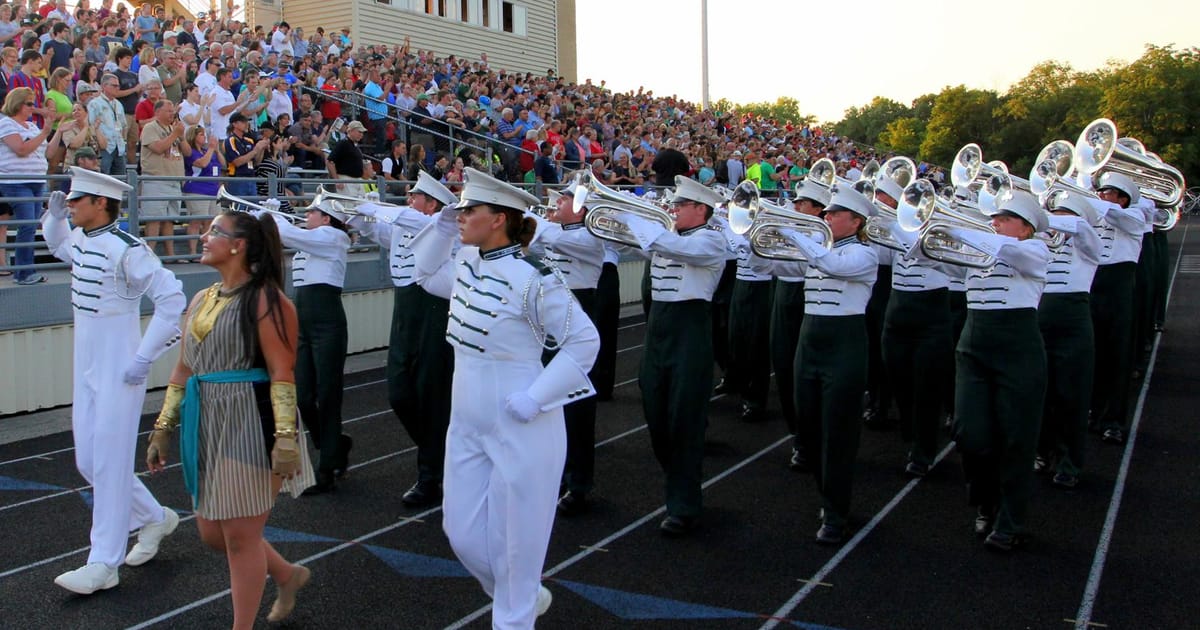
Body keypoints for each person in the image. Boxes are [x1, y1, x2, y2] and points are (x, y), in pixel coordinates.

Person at [410, 167, 599, 627]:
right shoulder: (466, 264)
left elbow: (584, 341)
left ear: (498, 219)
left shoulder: (534, 277)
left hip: (522, 421)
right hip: (467, 420)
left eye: (468, 210)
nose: (460, 216)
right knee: (462, 534)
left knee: (516, 548)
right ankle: (521, 597)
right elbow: (422, 274)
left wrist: (537, 397)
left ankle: (516, 609)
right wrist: (439, 226)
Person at [144, 203, 315, 628]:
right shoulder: (202, 297)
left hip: (249, 419)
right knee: (212, 532)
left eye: (214, 231)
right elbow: (184, 367)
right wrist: (163, 428)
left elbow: (281, 371)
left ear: (238, 247)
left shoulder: (267, 300)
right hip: (208, 418)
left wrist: (286, 437)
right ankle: (286, 573)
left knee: (240, 537)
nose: (204, 236)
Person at [41, 167, 186, 593]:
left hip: (119, 365)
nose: (70, 206)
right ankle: (156, 518)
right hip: (85, 359)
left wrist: (143, 358)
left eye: (75, 201)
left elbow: (171, 298)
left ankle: (103, 562)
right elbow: (59, 244)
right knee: (89, 461)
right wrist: (54, 219)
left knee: (107, 462)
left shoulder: (129, 249)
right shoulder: (85, 238)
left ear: (100, 203)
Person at [750, 186, 878, 545]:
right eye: (828, 213)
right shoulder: (817, 249)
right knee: (810, 424)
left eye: (834, 214)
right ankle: (829, 497)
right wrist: (756, 234)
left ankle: (836, 512)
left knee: (838, 430)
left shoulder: (865, 254)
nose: (827, 217)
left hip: (844, 341)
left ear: (855, 221)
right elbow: (765, 264)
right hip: (810, 340)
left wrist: (794, 232)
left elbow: (831, 265)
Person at [931, 190, 1050, 552]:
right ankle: (984, 500)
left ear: (1026, 228)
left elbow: (1007, 251)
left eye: (1004, 219)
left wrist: (963, 229)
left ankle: (1009, 521)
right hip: (973, 344)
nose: (994, 222)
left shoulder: (1036, 250)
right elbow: (933, 257)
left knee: (1017, 438)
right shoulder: (979, 247)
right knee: (970, 432)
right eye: (993, 217)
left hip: (1018, 348)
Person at [618, 176, 728, 536]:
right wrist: (613, 219)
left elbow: (664, 244)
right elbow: (634, 246)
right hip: (659, 330)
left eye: (680, 206)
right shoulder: (670, 238)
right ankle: (680, 481)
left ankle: (684, 503)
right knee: (654, 409)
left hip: (690, 331)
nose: (674, 210)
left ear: (701, 209)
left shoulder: (712, 240)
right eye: (675, 205)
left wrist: (633, 213)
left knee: (685, 419)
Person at [348, 171, 459, 508]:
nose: (410, 201)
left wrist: (373, 205)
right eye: (410, 196)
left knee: (432, 394)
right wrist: (351, 210)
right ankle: (439, 454)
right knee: (399, 392)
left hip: (433, 310)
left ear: (432, 205)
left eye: (416, 197)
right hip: (404, 311)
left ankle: (430, 475)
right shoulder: (406, 223)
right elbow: (374, 228)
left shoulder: (441, 226)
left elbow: (401, 217)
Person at [259, 195, 353, 494]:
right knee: (303, 396)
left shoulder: (333, 236)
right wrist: (271, 217)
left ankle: (327, 469)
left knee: (327, 395)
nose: (307, 214)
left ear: (326, 218)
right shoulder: (312, 239)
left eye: (313, 212)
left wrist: (271, 214)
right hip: (303, 322)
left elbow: (287, 233)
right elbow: (281, 238)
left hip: (327, 322)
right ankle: (333, 444)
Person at [526, 183, 607, 516]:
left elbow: (556, 239)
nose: (557, 202)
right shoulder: (553, 230)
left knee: (575, 404)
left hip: (579, 310)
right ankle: (552, 475)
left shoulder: (592, 236)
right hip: (546, 315)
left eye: (566, 198)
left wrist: (533, 221)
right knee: (543, 399)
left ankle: (578, 482)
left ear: (583, 209)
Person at [1035, 190, 1102, 488]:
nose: (1057, 220)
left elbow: (1081, 228)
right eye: (1056, 213)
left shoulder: (1088, 243)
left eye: (1065, 215)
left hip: (1073, 321)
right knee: (1041, 392)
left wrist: (1036, 217)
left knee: (1071, 394)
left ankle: (1069, 461)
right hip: (1038, 318)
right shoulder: (1041, 243)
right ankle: (1042, 450)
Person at [769, 179, 829, 470]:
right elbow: (766, 265)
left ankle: (811, 438)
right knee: (782, 365)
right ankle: (798, 433)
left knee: (807, 371)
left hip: (811, 297)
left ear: (818, 210)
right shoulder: (792, 229)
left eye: (802, 203)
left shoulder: (823, 235)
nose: (795, 207)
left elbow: (807, 264)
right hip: (783, 293)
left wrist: (788, 238)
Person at [1088, 173, 1150, 445]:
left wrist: (1091, 201)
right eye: (1100, 192)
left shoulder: (1136, 216)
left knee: (1117, 354)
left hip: (1119, 286)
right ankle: (1093, 409)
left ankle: (1113, 420)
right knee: (1092, 353)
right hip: (1091, 282)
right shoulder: (1095, 214)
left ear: (1123, 198)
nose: (1101, 196)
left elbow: (1120, 217)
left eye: (1108, 192)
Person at [0, 87, 57, 284]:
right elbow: (21, 149)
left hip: (36, 181)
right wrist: (45, 132)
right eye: (29, 104)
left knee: (31, 226)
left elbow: (48, 153)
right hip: (16, 182)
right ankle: (23, 272)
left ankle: (26, 270)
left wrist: (56, 133)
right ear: (18, 103)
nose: (33, 108)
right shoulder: (6, 124)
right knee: (26, 225)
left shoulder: (31, 126)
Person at [138, 98, 185, 261]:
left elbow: (186, 151)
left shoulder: (174, 129)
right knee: (154, 219)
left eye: (173, 111)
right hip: (156, 179)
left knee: (170, 220)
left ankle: (171, 255)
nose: (172, 114)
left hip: (174, 180)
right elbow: (158, 148)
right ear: (157, 112)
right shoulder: (150, 128)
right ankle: (148, 255)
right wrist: (175, 134)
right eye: (168, 110)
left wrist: (182, 136)